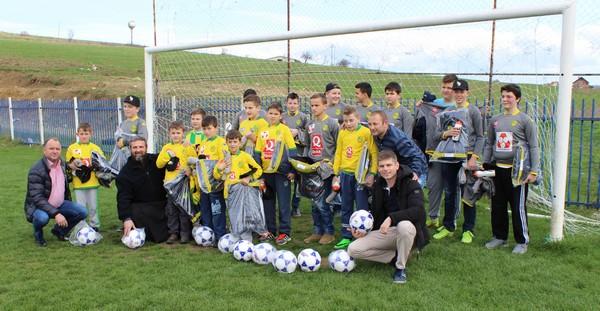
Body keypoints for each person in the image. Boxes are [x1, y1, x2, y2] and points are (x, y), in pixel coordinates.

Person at [347, 150, 429, 284]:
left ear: (397, 166)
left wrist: (392, 218)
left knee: (404, 225)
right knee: (353, 249)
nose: (385, 169)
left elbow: (418, 211)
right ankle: (396, 256)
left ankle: (400, 268)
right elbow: (376, 214)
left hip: (409, 232)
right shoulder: (378, 185)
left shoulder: (411, 184)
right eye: (382, 166)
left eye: (389, 165)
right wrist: (363, 231)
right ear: (378, 169)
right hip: (387, 232)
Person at [483, 84, 539, 254]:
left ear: (518, 99)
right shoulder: (495, 120)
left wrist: (534, 171)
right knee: (498, 205)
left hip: (518, 172)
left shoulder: (525, 120)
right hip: (497, 170)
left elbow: (534, 147)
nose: (505, 100)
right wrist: (485, 162)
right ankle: (499, 237)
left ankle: (522, 241)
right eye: (503, 96)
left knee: (517, 207)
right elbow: (489, 143)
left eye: (509, 97)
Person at [432, 79, 484, 243]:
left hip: (467, 158)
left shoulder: (473, 111)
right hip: (449, 157)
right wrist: (446, 134)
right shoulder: (447, 111)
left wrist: (474, 157)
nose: (459, 94)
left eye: (462, 91)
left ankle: (468, 229)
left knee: (468, 193)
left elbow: (481, 137)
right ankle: (449, 226)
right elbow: (436, 135)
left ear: (467, 93)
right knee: (449, 192)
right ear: (453, 93)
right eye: (456, 91)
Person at [24, 138, 88, 247]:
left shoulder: (61, 163)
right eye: (51, 148)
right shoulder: (36, 170)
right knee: (42, 218)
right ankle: (38, 233)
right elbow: (37, 198)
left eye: (57, 149)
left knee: (82, 212)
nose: (55, 151)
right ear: (44, 151)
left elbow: (67, 165)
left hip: (60, 203)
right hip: (40, 207)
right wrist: (57, 214)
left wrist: (72, 165)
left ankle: (59, 231)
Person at [332, 106, 378, 249]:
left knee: (361, 207)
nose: (349, 123)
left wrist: (373, 172)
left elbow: (374, 153)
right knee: (346, 205)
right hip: (345, 174)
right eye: (346, 121)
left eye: (351, 120)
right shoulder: (342, 133)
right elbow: (338, 152)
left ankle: (363, 235)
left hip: (360, 176)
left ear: (358, 119)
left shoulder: (365, 132)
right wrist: (336, 174)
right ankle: (346, 235)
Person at [415, 74, 457, 228]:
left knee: (452, 189)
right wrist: (420, 106)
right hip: (434, 152)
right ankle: (433, 217)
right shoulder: (432, 105)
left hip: (453, 153)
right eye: (444, 87)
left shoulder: (460, 107)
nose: (446, 90)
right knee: (433, 185)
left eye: (449, 88)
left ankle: (451, 221)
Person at [254, 102, 298, 245]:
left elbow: (292, 151)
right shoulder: (262, 131)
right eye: (270, 113)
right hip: (266, 173)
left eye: (275, 114)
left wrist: (292, 170)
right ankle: (271, 231)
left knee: (284, 203)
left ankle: (285, 232)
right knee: (268, 202)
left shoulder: (284, 130)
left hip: (281, 173)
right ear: (266, 114)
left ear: (280, 116)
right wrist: (259, 174)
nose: (272, 116)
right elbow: (257, 153)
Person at [215, 130, 265, 242]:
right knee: (233, 216)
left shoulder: (245, 156)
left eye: (235, 141)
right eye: (230, 142)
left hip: (243, 193)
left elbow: (258, 170)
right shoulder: (224, 158)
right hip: (229, 193)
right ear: (226, 143)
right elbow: (216, 175)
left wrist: (249, 178)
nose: (232, 144)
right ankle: (235, 239)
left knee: (244, 216)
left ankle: (247, 241)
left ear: (240, 143)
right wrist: (220, 168)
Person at [116, 137, 169, 244]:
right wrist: (126, 219)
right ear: (130, 149)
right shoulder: (125, 173)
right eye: (135, 147)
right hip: (141, 209)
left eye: (141, 147)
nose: (138, 150)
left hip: (162, 206)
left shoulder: (157, 161)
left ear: (146, 148)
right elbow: (123, 198)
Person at [303, 93, 339, 245]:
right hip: (312, 169)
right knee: (314, 202)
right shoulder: (309, 125)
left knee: (323, 203)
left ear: (325, 106)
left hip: (326, 170)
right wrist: (305, 164)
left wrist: (334, 166)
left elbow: (338, 146)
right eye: (312, 105)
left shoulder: (332, 123)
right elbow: (307, 146)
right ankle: (317, 231)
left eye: (317, 105)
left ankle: (329, 232)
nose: (314, 108)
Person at [156, 121, 196, 244]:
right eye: (173, 133)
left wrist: (190, 169)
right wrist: (168, 156)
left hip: (183, 184)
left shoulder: (187, 146)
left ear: (183, 133)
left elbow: (194, 162)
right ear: (169, 134)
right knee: (171, 210)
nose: (176, 135)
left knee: (183, 209)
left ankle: (185, 233)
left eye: (178, 133)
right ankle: (173, 233)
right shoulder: (166, 147)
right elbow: (158, 164)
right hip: (170, 184)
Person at [368, 111, 427, 184]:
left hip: (416, 168)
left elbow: (416, 157)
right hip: (397, 169)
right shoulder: (376, 134)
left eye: (375, 124)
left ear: (385, 123)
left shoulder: (397, 139)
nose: (372, 127)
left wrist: (415, 173)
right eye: (369, 124)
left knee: (408, 193)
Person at [66, 123, 105, 232]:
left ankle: (94, 225)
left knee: (93, 206)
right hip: (78, 183)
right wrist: (72, 165)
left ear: (90, 134)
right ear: (77, 134)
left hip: (92, 182)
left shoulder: (95, 148)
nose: (84, 136)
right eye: (81, 133)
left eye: (86, 133)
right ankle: (81, 226)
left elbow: (102, 162)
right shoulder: (72, 148)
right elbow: (68, 163)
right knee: (80, 207)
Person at [196, 116, 228, 241]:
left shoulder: (221, 142)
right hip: (204, 186)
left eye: (209, 128)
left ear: (216, 128)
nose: (206, 131)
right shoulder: (203, 144)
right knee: (206, 211)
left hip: (215, 185)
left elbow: (224, 162)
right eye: (204, 129)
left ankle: (220, 236)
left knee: (217, 212)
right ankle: (208, 236)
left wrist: (219, 177)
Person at [282, 92, 309, 217]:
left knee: (298, 181)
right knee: (285, 179)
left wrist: (297, 132)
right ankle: (285, 206)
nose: (292, 105)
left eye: (295, 103)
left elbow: (308, 133)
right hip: (284, 153)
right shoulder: (282, 117)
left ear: (299, 104)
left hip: (299, 153)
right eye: (290, 103)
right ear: (286, 103)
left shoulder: (303, 117)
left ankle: (295, 207)